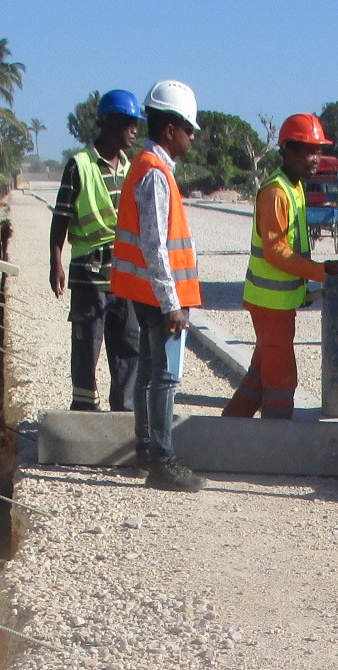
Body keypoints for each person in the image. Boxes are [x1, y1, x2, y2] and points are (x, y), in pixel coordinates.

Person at [112, 80, 205, 493]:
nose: (193, 136)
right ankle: (161, 461)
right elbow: (155, 245)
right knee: (164, 377)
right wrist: (172, 304)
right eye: (189, 128)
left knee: (150, 373)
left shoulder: (150, 168)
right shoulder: (155, 174)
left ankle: (147, 450)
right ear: (170, 129)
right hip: (158, 297)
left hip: (147, 293)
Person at [224, 113, 338, 420]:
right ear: (289, 150)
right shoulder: (277, 192)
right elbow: (276, 251)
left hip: (276, 301)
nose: (317, 157)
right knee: (281, 378)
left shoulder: (295, 187)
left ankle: (227, 430)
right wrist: (319, 272)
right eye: (309, 150)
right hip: (270, 303)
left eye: (320, 149)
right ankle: (278, 442)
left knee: (261, 372)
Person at [50, 90, 143, 412]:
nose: (135, 130)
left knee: (129, 344)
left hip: (125, 276)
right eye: (129, 123)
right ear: (110, 123)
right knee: (87, 346)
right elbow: (61, 216)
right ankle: (84, 411)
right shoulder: (80, 166)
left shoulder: (131, 168)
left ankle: (124, 412)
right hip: (90, 275)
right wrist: (56, 263)